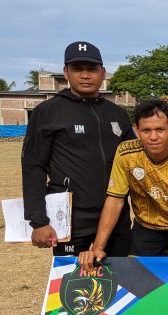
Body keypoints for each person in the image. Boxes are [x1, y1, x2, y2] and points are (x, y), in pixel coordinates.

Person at [22, 41, 133, 256]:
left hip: (114, 213)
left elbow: (135, 161)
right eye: (77, 69)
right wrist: (39, 221)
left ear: (103, 73)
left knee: (119, 282)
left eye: (92, 69)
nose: (85, 75)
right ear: (65, 72)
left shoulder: (117, 113)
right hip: (71, 216)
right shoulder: (48, 112)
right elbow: (33, 166)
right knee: (72, 283)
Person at [77, 100, 168, 270]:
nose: (153, 137)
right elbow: (115, 200)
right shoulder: (125, 152)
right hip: (148, 226)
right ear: (136, 130)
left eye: (160, 129)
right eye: (146, 130)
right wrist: (98, 247)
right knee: (139, 279)